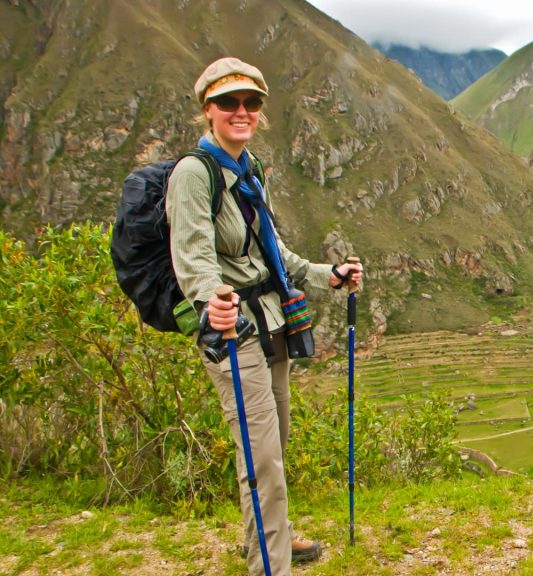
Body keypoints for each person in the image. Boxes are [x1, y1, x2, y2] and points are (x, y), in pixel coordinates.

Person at [167, 57, 363, 576]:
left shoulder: (249, 171)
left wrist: (330, 274)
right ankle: (270, 565)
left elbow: (275, 254)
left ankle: (272, 538)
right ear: (207, 109)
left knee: (275, 442)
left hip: (273, 323)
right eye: (229, 102)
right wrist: (213, 298)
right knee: (261, 455)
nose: (241, 111)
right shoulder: (193, 175)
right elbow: (192, 260)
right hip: (233, 331)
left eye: (251, 103)